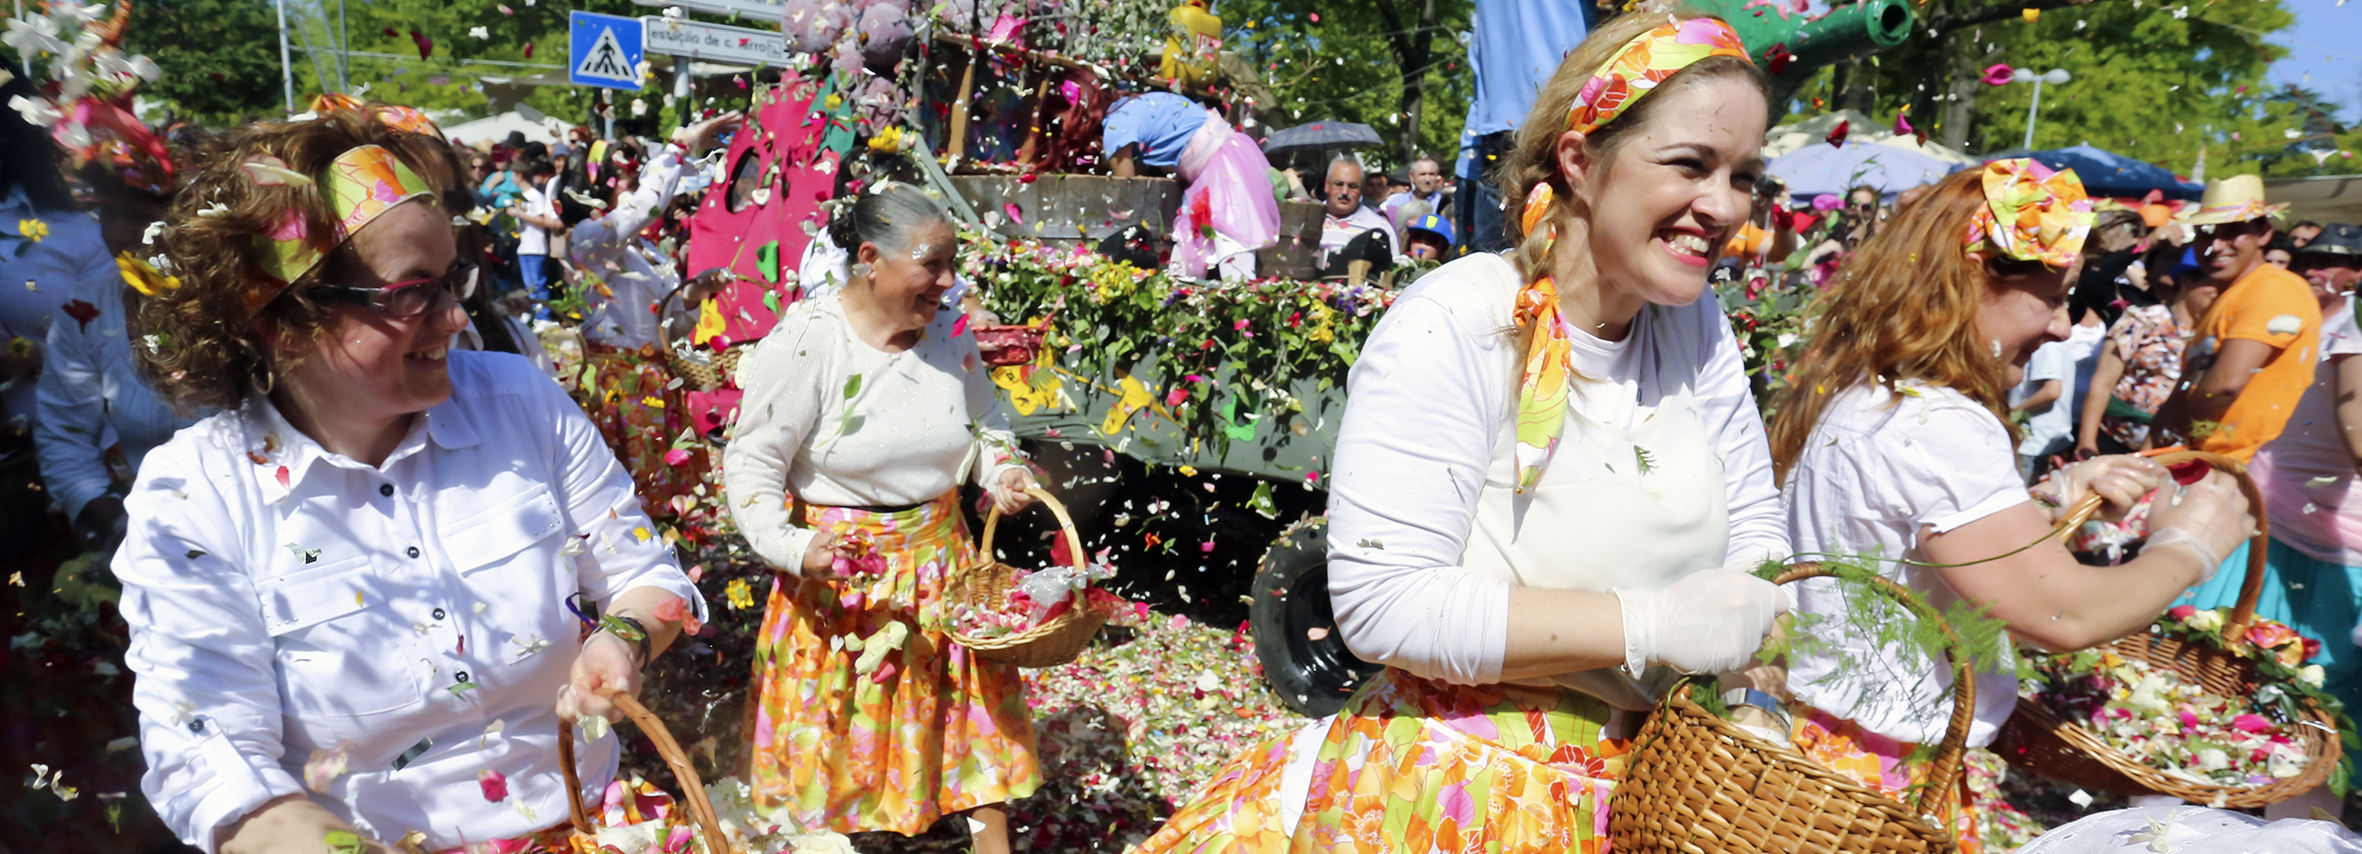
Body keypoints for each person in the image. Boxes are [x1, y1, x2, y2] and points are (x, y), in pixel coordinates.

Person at [1138, 15, 1787, 850]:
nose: (1726, 207)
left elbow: (1756, 529)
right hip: (1466, 796)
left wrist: (1755, 687)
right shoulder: (1462, 320)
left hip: (1653, 792)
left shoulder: (1697, 330)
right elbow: (1383, 605)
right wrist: (1648, 626)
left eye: (1745, 177)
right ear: (1580, 160)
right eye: (1692, 164)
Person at [115, 106, 706, 853]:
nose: (458, 318)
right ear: (282, 320)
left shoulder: (516, 400)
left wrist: (622, 639)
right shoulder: (197, 495)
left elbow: (648, 576)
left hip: (596, 826)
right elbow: (209, 758)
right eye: (412, 293)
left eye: (454, 279)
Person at [1768, 160, 2256, 848]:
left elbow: (1906, 553)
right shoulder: (1939, 421)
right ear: (1968, 280)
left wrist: (2048, 509)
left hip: (1826, 753)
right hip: (1878, 785)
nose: (2063, 327)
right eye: (2051, 297)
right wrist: (2190, 546)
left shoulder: (1875, 393)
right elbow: (2064, 614)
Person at [724, 183, 1045, 854]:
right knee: (840, 754)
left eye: (953, 263)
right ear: (870, 258)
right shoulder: (810, 340)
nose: (947, 281)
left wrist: (1001, 470)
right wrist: (794, 546)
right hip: (841, 584)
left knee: (968, 735)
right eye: (932, 263)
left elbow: (985, 422)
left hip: (943, 570)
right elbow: (752, 464)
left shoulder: (951, 332)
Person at [2231, 223, 2362, 715]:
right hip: (2283, 526)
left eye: (2330, 260)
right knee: (2241, 673)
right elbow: (2355, 411)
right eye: (2310, 259)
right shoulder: (2350, 324)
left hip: (2349, 546)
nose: (2314, 270)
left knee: (2323, 710)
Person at [2154, 174, 2320, 463]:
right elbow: (2191, 382)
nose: (2216, 245)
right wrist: (2154, 449)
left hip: (2240, 468)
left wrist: (2177, 436)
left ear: (2264, 233)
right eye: (2206, 232)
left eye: (2232, 231)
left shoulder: (2273, 287)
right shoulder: (2230, 294)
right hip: (2204, 464)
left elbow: (2225, 384)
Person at [1103, 89, 1279, 280]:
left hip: (1224, 169)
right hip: (1219, 165)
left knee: (1234, 256)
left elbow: (1127, 191)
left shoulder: (1115, 126)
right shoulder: (1146, 103)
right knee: (1185, 263)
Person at [2074, 257, 2218, 458]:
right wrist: (2086, 443)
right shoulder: (2144, 321)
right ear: (2186, 281)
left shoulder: (2213, 336)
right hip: (2111, 442)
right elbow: (2102, 383)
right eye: (2213, 283)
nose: (2219, 292)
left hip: (2166, 452)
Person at [1315, 156, 1397, 278]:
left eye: (1353, 186)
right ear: (1327, 185)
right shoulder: (1308, 218)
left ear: (1362, 189)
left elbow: (1392, 271)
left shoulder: (1378, 226)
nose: (1344, 192)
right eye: (1338, 184)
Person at [1381, 155, 1447, 225]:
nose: (1427, 179)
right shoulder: (1397, 203)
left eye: (1431, 174)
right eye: (1422, 174)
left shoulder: (1444, 203)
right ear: (1412, 176)